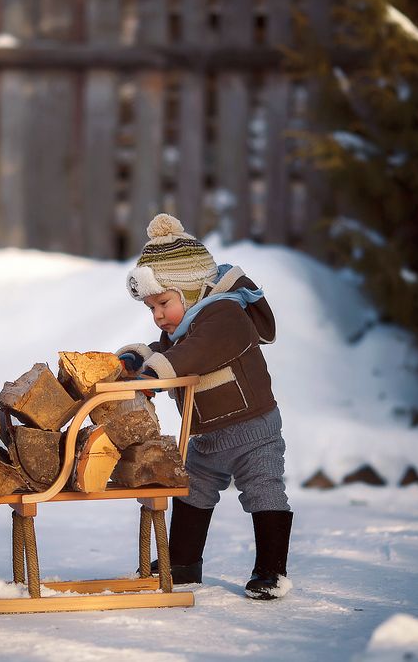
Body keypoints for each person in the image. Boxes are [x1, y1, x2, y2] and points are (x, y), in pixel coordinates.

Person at [116, 213, 293, 600]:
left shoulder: (226, 316)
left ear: (191, 291)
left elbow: (196, 352)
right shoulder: (187, 330)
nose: (158, 315)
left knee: (263, 490)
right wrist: (138, 360)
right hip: (207, 437)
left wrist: (156, 375)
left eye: (163, 303)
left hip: (253, 431)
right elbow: (171, 350)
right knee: (192, 491)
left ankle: (271, 571)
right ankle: (183, 563)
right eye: (151, 308)